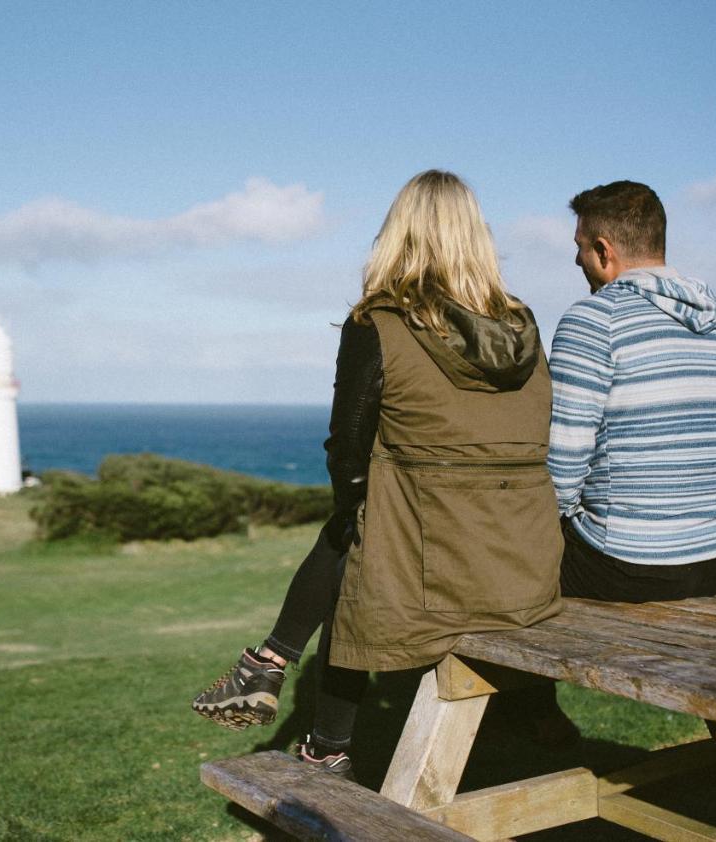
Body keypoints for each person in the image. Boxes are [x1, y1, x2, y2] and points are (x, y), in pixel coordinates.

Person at [192, 170, 564, 777]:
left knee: (360, 545)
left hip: (429, 574)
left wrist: (364, 510)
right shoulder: (523, 328)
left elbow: (347, 453)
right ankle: (270, 674)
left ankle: (313, 729)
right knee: (367, 537)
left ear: (399, 235)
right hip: (522, 570)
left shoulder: (379, 324)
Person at [550, 180, 716, 600]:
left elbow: (561, 472)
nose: (577, 259)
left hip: (627, 562)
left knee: (487, 561)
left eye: (581, 247)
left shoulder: (592, 320)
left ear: (605, 251)